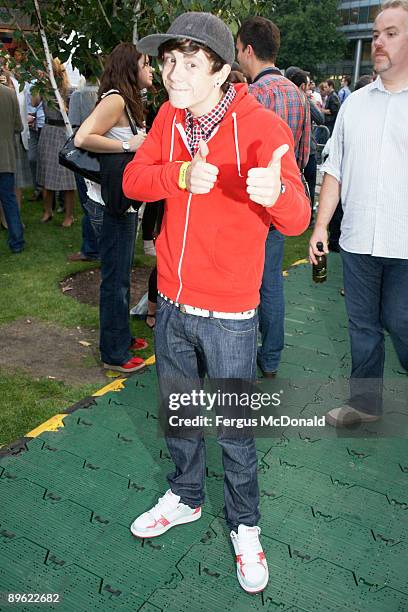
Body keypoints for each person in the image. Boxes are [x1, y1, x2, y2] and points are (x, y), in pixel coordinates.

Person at [123, 12, 310, 594]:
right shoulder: (168, 118)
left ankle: (246, 527)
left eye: (189, 61)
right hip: (173, 302)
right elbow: (133, 179)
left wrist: (275, 191)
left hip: (230, 313)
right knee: (179, 413)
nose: (172, 72)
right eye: (168, 59)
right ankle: (184, 496)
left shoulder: (259, 127)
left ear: (224, 69)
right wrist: (178, 174)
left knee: (233, 430)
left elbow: (299, 216)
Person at [309, 0, 408, 427]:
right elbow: (334, 171)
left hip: (405, 245)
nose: (378, 42)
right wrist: (319, 228)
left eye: (391, 33)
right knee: (363, 328)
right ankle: (365, 406)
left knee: (400, 322)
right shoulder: (354, 104)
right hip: (356, 241)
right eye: (376, 34)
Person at [236, 16, 311, 378]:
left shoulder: (252, 97)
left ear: (248, 50)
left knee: (247, 287)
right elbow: (305, 156)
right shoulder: (298, 94)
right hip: (282, 203)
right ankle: (272, 359)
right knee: (272, 284)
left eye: (237, 51)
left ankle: (244, 356)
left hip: (250, 208)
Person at [75, 43, 154, 372]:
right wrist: (127, 143)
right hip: (109, 204)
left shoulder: (127, 100)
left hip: (120, 201)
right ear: (130, 67)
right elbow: (82, 137)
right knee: (115, 279)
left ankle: (119, 337)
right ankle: (114, 352)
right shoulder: (116, 99)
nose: (152, 70)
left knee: (120, 274)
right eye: (146, 64)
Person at [33, 58, 76, 227]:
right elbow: (34, 102)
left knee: (66, 177)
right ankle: (47, 211)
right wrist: (40, 83)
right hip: (48, 130)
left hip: (62, 133)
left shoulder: (68, 90)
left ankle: (69, 215)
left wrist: (61, 101)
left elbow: (69, 114)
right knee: (46, 175)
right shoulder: (44, 88)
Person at [67, 70, 100, 262]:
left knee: (88, 202)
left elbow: (73, 127)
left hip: (85, 154)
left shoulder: (79, 95)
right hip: (103, 153)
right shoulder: (105, 94)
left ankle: (91, 249)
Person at [0, 78, 25, 253]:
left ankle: (17, 241)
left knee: (9, 200)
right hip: (5, 157)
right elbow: (19, 126)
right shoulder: (9, 93)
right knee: (9, 200)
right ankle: (17, 242)